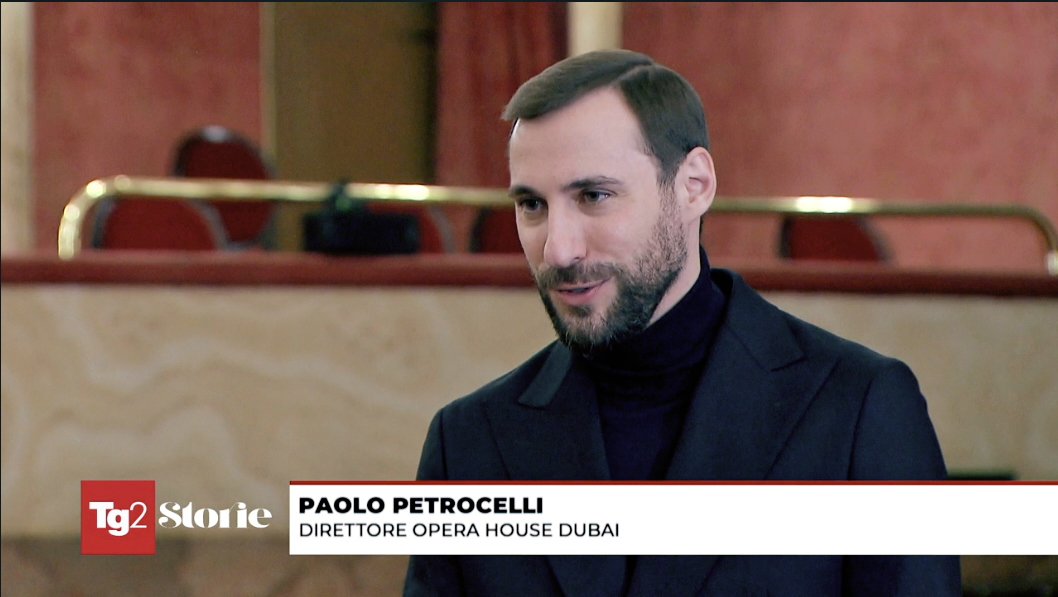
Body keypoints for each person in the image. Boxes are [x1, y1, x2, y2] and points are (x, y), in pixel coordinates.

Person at [404, 49, 960, 597]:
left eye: (593, 196)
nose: (558, 249)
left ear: (693, 185)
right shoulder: (468, 442)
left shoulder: (859, 408)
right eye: (532, 205)